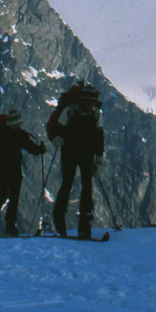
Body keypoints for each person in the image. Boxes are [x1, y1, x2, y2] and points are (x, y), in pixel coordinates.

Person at [0, 109, 46, 236]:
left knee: (2, 195)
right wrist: (40, 149)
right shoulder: (19, 135)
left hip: (0, 170)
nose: (19, 125)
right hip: (14, 170)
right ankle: (10, 226)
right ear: (14, 123)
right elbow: (30, 147)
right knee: (14, 197)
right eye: (18, 123)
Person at [51, 86, 105, 239]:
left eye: (91, 103)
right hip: (81, 153)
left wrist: (99, 159)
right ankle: (84, 225)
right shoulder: (94, 114)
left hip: (71, 152)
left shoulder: (71, 111)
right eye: (88, 102)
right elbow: (99, 138)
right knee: (82, 185)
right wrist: (99, 159)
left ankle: (61, 215)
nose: (89, 105)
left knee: (72, 184)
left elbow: (58, 129)